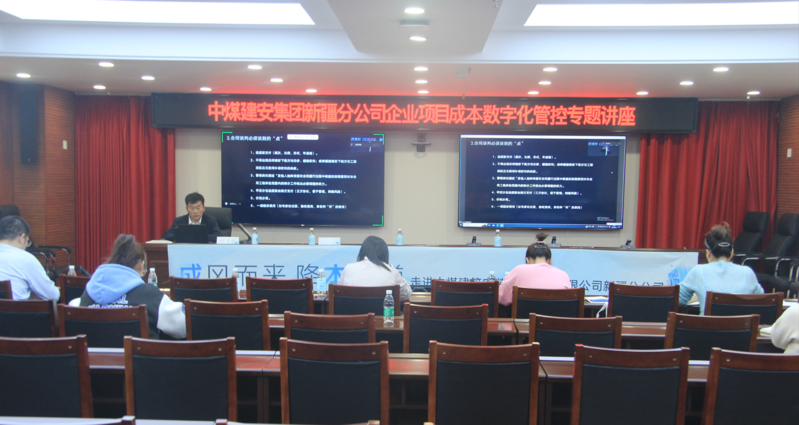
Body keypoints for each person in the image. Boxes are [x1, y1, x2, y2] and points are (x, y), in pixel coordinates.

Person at [74, 234, 185, 339]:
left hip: (90, 354)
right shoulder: (150, 295)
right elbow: (183, 328)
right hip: (137, 354)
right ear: (141, 266)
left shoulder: (85, 296)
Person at [679, 222, 763, 315]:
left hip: (708, 325)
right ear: (732, 253)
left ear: (708, 253)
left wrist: (697, 296)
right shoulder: (748, 273)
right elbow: (762, 302)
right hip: (742, 324)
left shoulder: (699, 271)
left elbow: (676, 300)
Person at [498, 233, 571, 306]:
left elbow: (501, 298)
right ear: (550, 261)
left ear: (528, 260)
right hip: (555, 313)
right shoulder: (563, 275)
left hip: (525, 313)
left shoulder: (519, 270)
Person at [0, 216, 60, 301]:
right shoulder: (26, 259)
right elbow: (52, 296)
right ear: (21, 238)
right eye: (27, 242)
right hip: (14, 309)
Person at [338, 236, 412, 302]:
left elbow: (338, 293)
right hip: (383, 313)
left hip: (352, 313)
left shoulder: (349, 268)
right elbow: (406, 294)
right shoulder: (391, 271)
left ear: (362, 251)